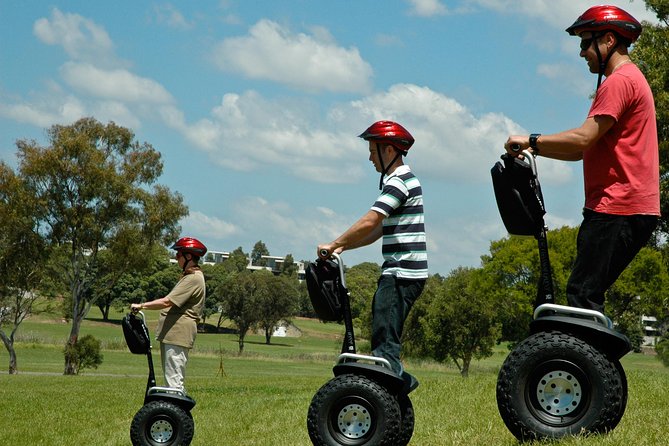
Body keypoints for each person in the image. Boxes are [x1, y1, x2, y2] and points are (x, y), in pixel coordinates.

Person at [504, 5, 659, 313]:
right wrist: (536, 150)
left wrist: (530, 139)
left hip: (617, 206)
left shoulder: (618, 81)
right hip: (627, 208)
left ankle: (584, 362)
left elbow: (583, 138)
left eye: (586, 42)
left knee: (583, 296)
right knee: (587, 294)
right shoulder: (630, 79)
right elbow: (579, 151)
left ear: (609, 41)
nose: (581, 52)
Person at [318, 120, 428, 391]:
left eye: (372, 150)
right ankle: (394, 389)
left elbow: (371, 220)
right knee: (384, 337)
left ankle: (394, 390)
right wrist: (343, 247)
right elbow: (379, 229)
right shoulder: (399, 181)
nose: (369, 158)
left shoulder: (400, 181)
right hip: (403, 272)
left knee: (384, 343)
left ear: (388, 150)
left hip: (401, 272)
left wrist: (333, 242)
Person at [131, 236, 207, 392]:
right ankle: (175, 414)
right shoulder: (190, 276)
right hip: (174, 334)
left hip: (178, 334)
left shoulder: (193, 278)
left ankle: (176, 415)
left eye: (178, 255)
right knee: (172, 380)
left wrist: (142, 306)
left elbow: (167, 301)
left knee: (174, 383)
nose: (176, 258)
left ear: (189, 256)